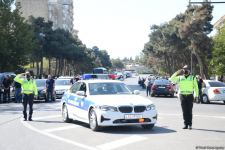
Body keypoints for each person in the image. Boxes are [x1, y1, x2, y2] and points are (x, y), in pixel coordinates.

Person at [169, 65, 199, 130]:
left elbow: (196, 87)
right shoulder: (180, 77)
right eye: (184, 69)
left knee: (189, 111)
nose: (185, 70)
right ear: (183, 70)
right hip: (182, 95)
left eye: (187, 69)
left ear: (189, 70)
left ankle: (190, 124)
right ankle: (185, 124)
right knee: (184, 111)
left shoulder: (192, 77)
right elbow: (171, 79)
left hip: (190, 95)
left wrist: (196, 96)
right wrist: (177, 72)